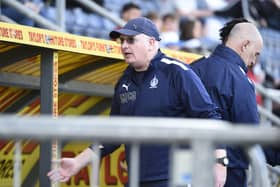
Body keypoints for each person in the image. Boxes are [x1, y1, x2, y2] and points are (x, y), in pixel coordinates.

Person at [47, 17, 227, 187]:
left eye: (131, 40)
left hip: (175, 179)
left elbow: (209, 115)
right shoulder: (124, 81)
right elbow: (113, 135)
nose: (124, 46)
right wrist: (78, 162)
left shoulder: (177, 72)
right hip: (135, 179)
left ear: (151, 43)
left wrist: (220, 161)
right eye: (122, 41)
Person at [191, 18, 280, 187]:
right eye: (256, 54)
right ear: (245, 45)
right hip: (229, 173)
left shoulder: (193, 68)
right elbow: (249, 134)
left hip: (189, 166)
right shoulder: (239, 79)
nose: (254, 62)